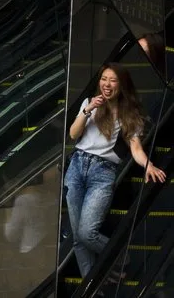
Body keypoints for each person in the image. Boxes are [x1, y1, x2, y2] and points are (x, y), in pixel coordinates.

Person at [66, 62, 167, 277]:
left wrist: (148, 165)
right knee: (78, 239)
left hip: (103, 173)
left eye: (113, 80)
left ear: (121, 85)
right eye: (104, 79)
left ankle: (121, 257)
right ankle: (91, 285)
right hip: (76, 167)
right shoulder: (88, 104)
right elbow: (73, 135)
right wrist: (88, 109)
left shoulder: (128, 114)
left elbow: (136, 148)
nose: (107, 84)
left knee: (86, 233)